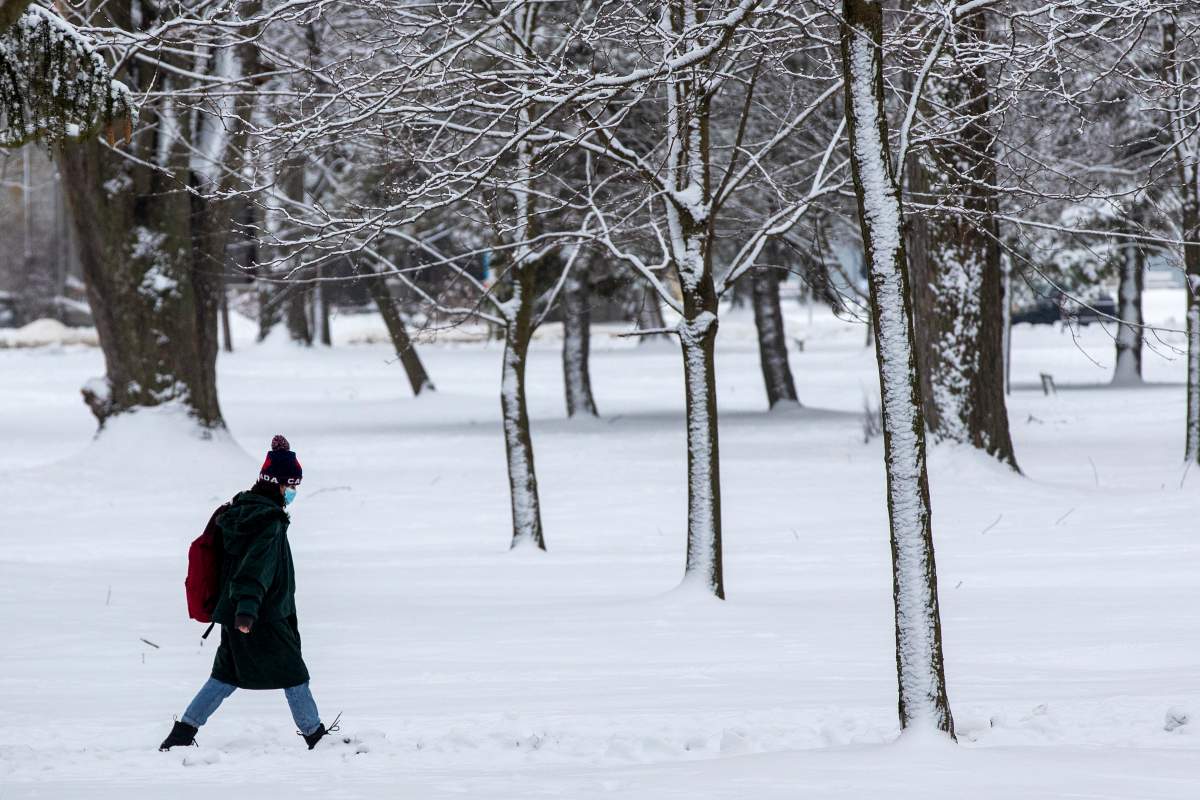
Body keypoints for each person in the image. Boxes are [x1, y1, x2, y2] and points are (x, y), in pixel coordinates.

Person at [159, 435, 338, 751]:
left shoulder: (243, 509)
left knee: (226, 675)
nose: (293, 491)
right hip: (262, 615)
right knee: (294, 673)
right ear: (277, 484)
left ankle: (181, 735)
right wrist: (247, 609)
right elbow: (254, 570)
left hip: (239, 610)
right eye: (291, 485)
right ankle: (316, 737)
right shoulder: (268, 522)